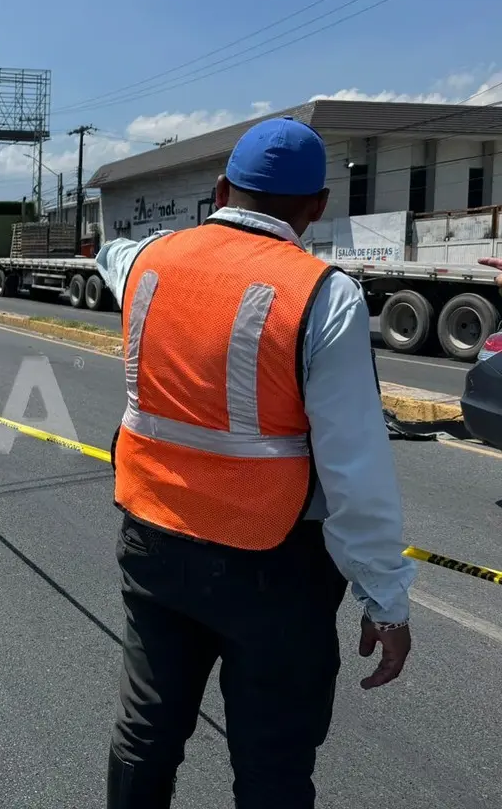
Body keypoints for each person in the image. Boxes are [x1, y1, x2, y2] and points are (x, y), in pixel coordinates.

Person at [95, 116, 416, 808]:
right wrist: (384, 600)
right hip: (274, 566)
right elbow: (354, 470)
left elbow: (111, 253)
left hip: (153, 540)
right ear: (318, 207)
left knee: (146, 734)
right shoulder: (323, 296)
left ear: (220, 190)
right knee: (272, 765)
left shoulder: (148, 263)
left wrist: (133, 251)